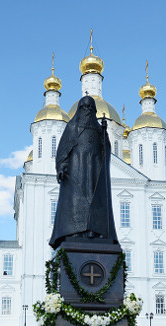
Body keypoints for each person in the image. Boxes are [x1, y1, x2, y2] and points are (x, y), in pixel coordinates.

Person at [49, 95, 118, 250]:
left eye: (90, 107)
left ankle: (95, 231)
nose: (87, 110)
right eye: (84, 107)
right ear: (80, 109)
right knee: (75, 202)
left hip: (95, 170)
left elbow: (105, 149)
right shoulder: (72, 127)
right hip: (76, 170)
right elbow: (63, 149)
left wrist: (105, 135)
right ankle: (74, 232)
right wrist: (61, 166)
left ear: (94, 110)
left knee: (96, 202)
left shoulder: (99, 130)